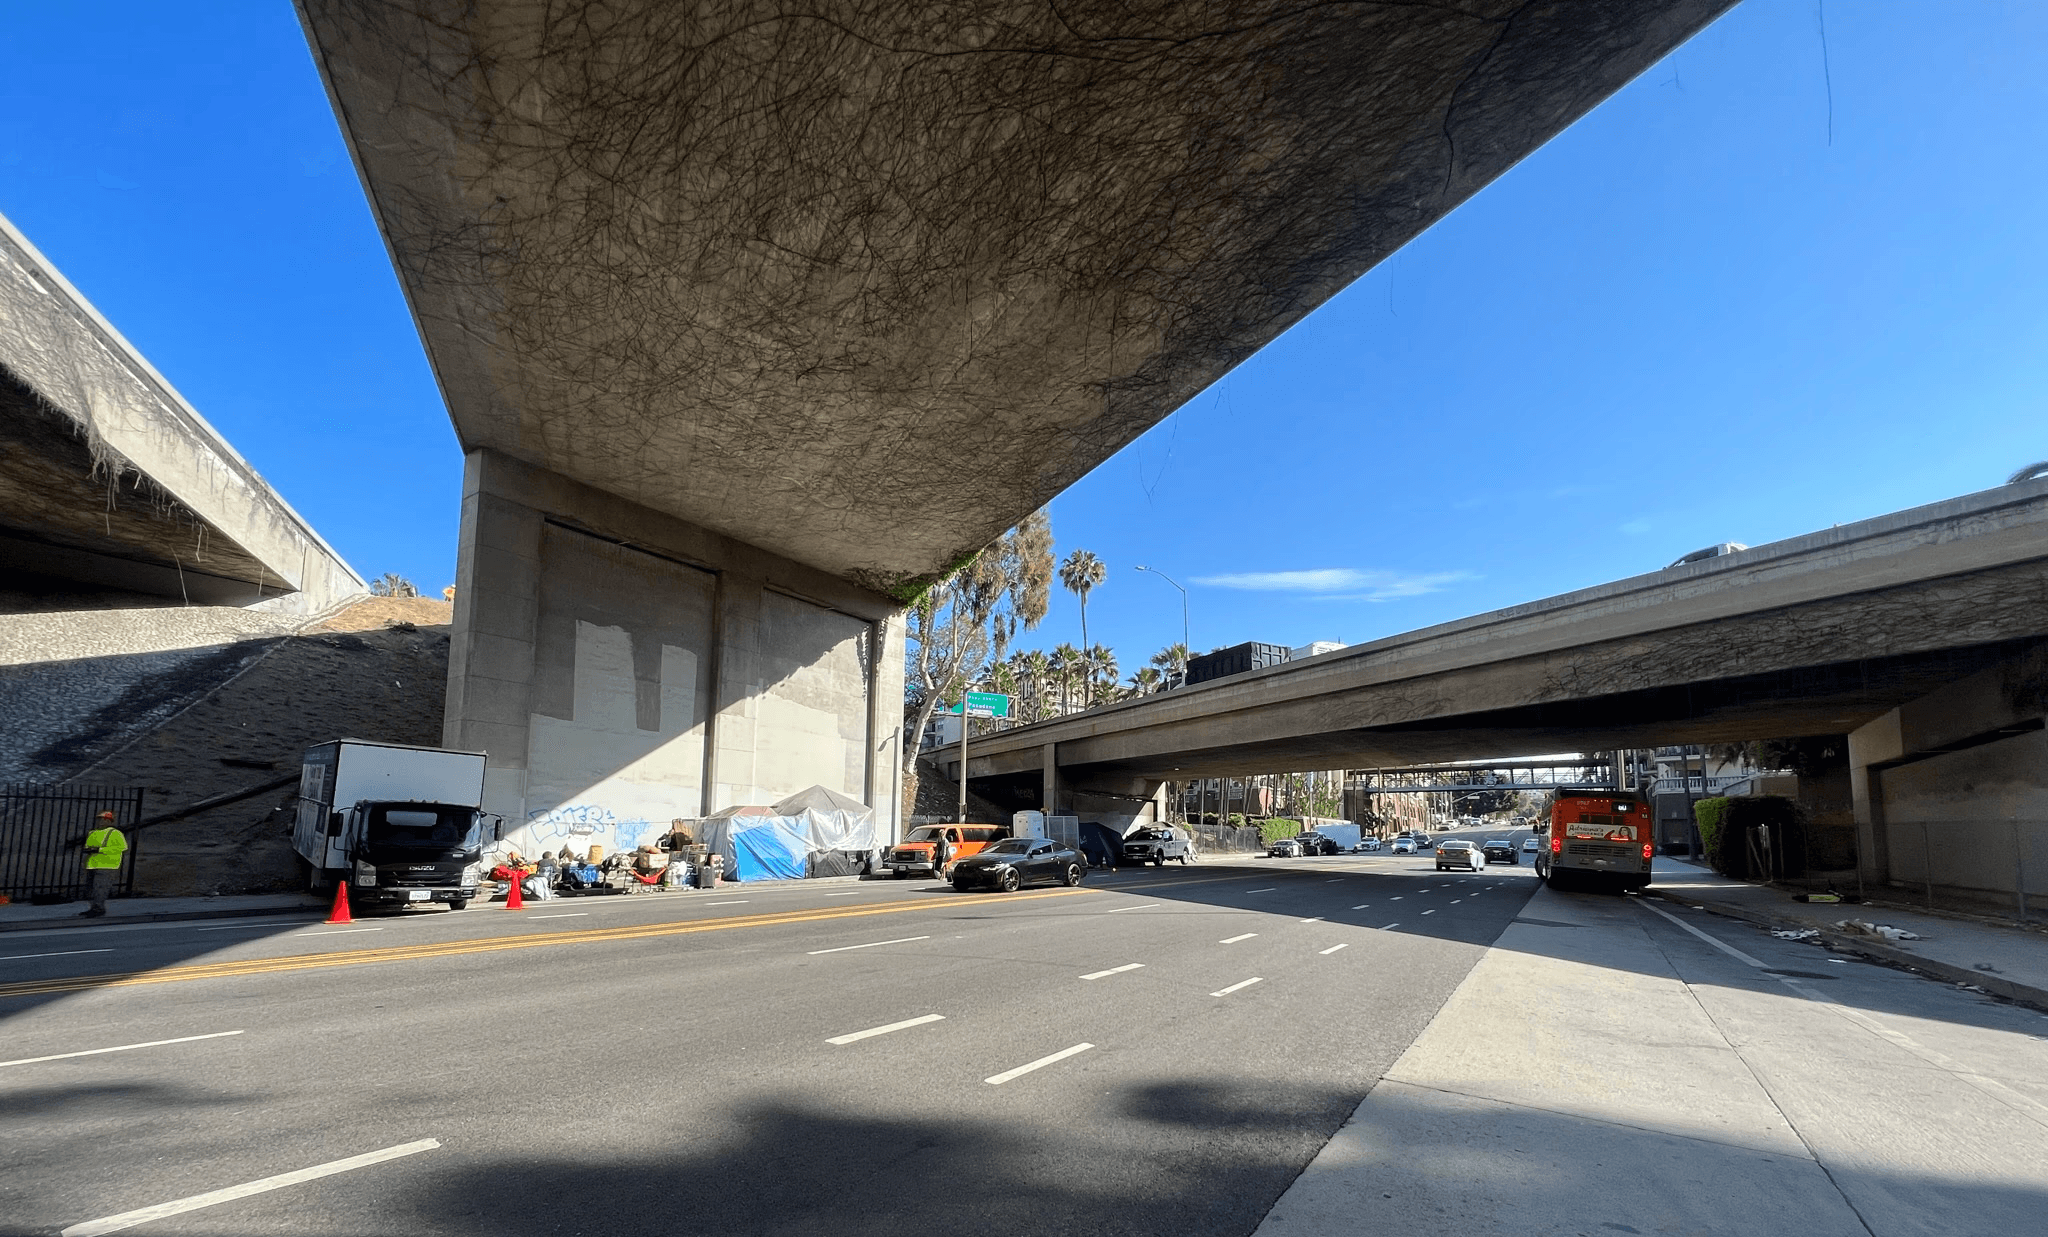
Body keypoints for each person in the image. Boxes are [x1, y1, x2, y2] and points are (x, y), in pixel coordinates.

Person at [79, 810, 128, 918]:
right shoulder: (93, 832)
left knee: (100, 888)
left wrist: (100, 850)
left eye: (105, 819)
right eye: (100, 819)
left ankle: (99, 909)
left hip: (107, 864)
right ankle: (93, 908)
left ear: (110, 821)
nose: (101, 821)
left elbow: (122, 848)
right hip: (92, 863)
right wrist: (88, 850)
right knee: (90, 888)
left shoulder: (115, 833)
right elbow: (88, 846)